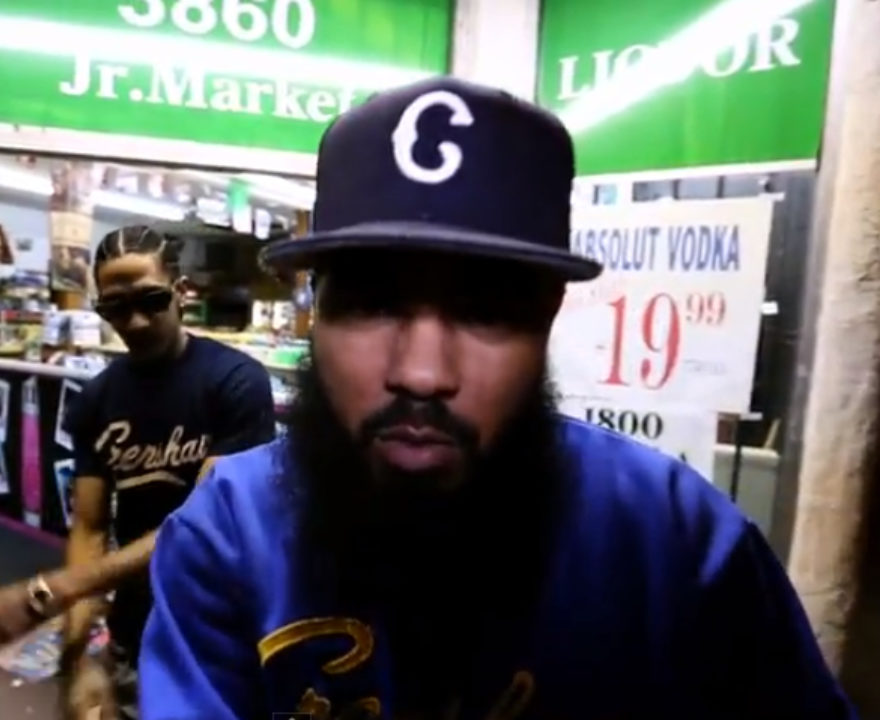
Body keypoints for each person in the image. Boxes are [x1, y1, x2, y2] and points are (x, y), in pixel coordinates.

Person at [136, 78, 858, 719]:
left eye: (485, 310)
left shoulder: (675, 538)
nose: (422, 373)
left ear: (548, 315)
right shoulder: (225, 535)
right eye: (373, 304)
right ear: (315, 314)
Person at [0, 225, 276, 719]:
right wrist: (79, 658)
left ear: (181, 292)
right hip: (134, 636)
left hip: (222, 637)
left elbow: (202, 524)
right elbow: (89, 528)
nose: (136, 321)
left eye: (151, 299)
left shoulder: (236, 383)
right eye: (116, 307)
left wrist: (52, 590)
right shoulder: (97, 400)